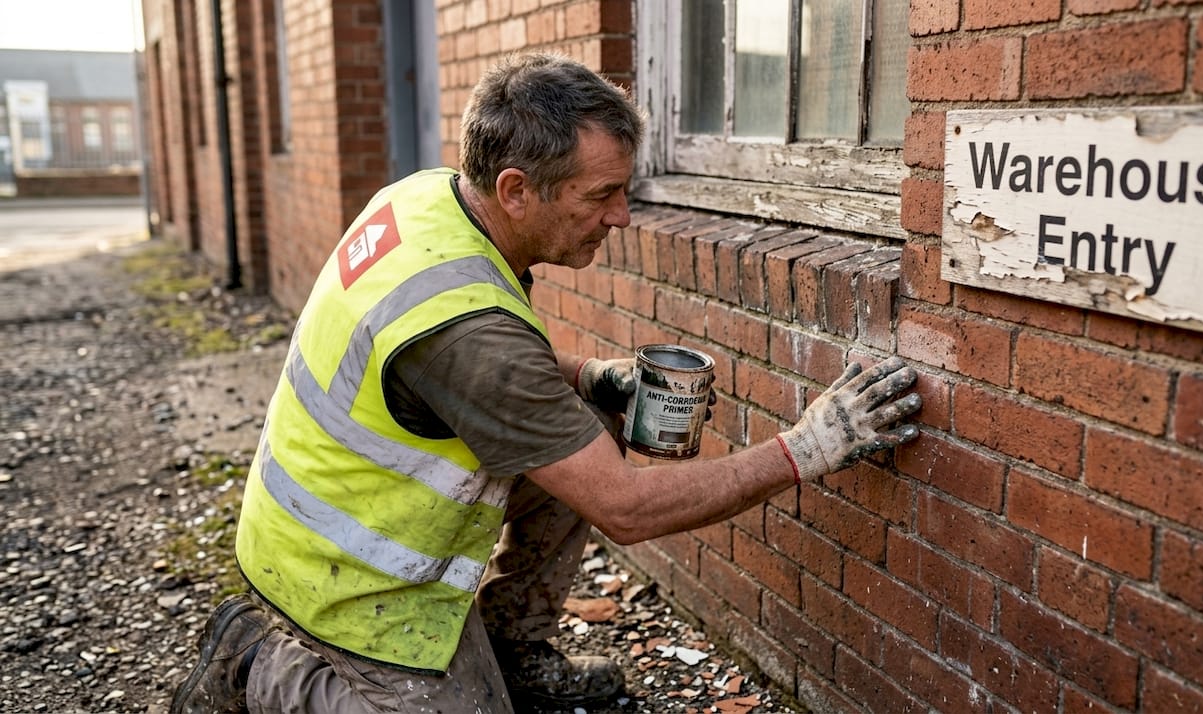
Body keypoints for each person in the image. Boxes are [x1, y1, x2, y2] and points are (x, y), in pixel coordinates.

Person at [169, 51, 923, 714]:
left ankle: (514, 647)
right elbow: (623, 508)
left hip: (320, 509)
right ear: (517, 189)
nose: (622, 217)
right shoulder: (470, 337)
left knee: (584, 422)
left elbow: (489, 369)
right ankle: (256, 664)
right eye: (600, 196)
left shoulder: (429, 198)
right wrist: (809, 447)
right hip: (337, 581)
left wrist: (591, 376)